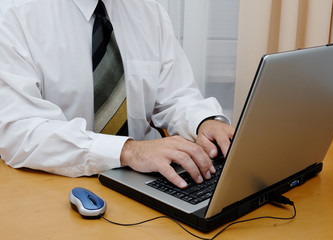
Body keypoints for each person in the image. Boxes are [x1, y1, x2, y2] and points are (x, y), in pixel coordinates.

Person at [0, 0, 234, 189]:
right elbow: (18, 131)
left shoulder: (150, 13)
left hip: (140, 188)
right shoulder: (13, 15)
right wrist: (127, 150)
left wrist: (204, 121)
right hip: (53, 189)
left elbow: (176, 96)